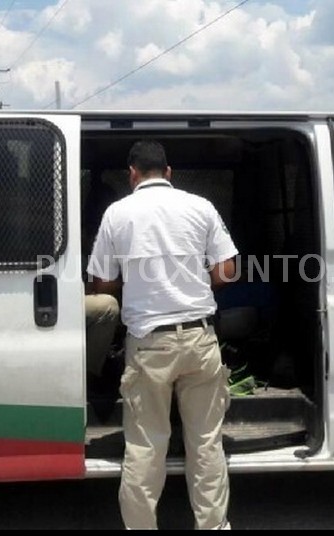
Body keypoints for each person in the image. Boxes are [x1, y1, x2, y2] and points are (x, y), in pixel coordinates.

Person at [86, 140, 238, 530]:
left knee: (145, 448)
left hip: (149, 345)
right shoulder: (200, 206)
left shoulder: (117, 214)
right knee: (206, 445)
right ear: (168, 172)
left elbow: (102, 283)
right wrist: (188, 285)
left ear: (132, 173)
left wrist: (137, 285)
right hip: (200, 340)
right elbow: (226, 271)